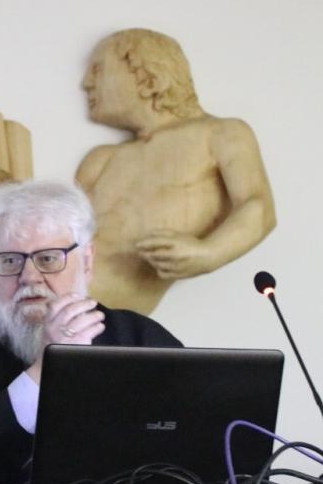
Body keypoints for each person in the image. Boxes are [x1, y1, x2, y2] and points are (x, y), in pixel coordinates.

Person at [0, 180, 180, 484]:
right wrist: (46, 369)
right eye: (10, 260)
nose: (29, 277)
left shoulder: (143, 341)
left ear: (86, 261)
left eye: (47, 258)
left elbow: (186, 462)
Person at [76, 28, 276, 314]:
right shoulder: (100, 160)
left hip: (97, 324)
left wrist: (209, 253)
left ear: (146, 77)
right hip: (34, 308)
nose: (86, 84)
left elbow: (258, 207)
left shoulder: (222, 134)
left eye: (98, 70)